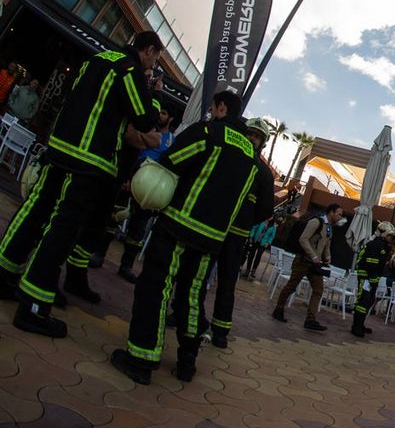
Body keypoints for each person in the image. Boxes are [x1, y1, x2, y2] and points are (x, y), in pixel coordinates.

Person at [0, 33, 162, 338]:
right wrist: (152, 94)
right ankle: (33, 303)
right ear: (148, 50)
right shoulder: (129, 69)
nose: (153, 65)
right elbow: (144, 118)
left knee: (35, 209)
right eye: (155, 58)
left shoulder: (97, 59)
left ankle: (5, 273)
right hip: (90, 159)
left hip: (60, 146)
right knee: (63, 226)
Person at [109, 89, 259, 385]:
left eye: (213, 108)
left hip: (180, 224)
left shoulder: (209, 132)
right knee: (191, 296)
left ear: (221, 107)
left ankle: (141, 357)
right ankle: (187, 359)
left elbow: (172, 160)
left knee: (156, 286)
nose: (211, 112)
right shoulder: (251, 156)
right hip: (213, 238)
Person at [205, 117, 275, 348]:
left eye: (257, 136)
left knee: (227, 281)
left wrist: (245, 220)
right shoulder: (227, 157)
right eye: (250, 133)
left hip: (236, 235)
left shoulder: (264, 173)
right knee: (199, 274)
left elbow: (265, 210)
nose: (252, 138)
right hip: (213, 227)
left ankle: (220, 330)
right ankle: (183, 314)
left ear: (263, 143)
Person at [117, 107, 175, 282]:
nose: (160, 115)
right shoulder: (146, 129)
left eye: (164, 113)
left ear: (170, 119)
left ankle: (126, 266)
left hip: (149, 186)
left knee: (138, 227)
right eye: (160, 112)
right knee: (116, 214)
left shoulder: (171, 141)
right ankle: (99, 253)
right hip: (130, 176)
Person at [271, 204, 344, 331]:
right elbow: (303, 239)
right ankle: (278, 309)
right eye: (339, 214)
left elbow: (327, 244)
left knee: (318, 290)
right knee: (291, 286)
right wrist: (314, 256)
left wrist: (327, 257)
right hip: (303, 261)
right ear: (331, 212)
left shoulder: (329, 228)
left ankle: (310, 319)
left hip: (315, 265)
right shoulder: (316, 222)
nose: (340, 217)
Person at [350, 221, 395, 338]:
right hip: (366, 278)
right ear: (383, 233)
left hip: (371, 279)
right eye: (390, 235)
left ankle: (360, 324)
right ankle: (356, 326)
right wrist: (372, 280)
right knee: (363, 301)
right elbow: (371, 264)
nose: (391, 238)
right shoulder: (376, 245)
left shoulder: (382, 245)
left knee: (369, 300)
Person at [243, 214, 280, 279]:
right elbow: (254, 229)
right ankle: (247, 270)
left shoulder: (273, 226)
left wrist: (268, 243)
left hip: (263, 243)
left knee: (258, 256)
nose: (270, 217)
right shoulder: (261, 221)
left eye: (271, 216)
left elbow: (272, 236)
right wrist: (251, 237)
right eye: (269, 215)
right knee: (251, 255)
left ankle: (253, 271)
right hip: (255, 240)